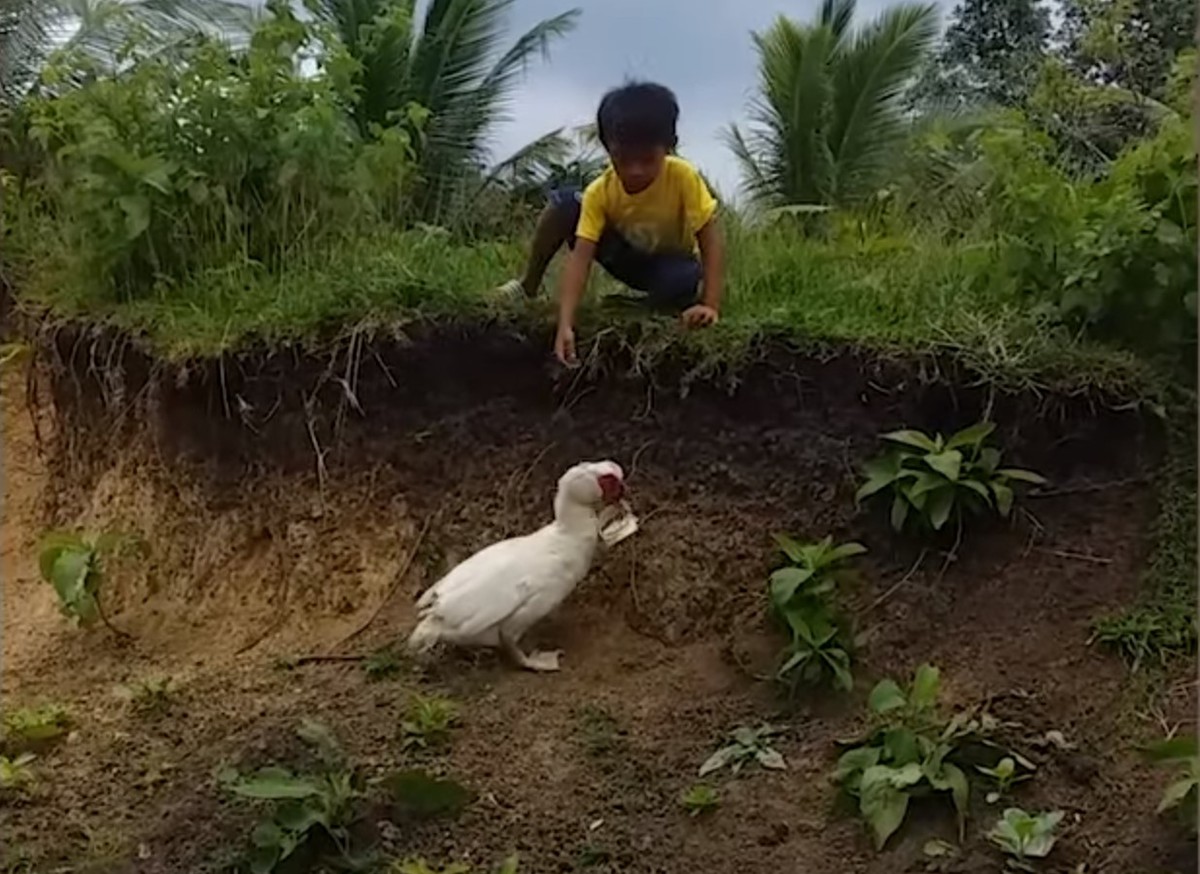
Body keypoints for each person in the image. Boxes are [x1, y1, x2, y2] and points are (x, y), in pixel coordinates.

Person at [498, 81, 726, 366]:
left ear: (669, 147)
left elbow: (709, 239)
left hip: (669, 266)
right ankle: (527, 286)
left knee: (684, 275)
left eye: (647, 160)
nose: (635, 171)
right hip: (622, 256)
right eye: (624, 160)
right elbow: (580, 258)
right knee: (564, 205)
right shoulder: (600, 192)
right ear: (608, 149)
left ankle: (641, 307)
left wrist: (710, 304)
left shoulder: (683, 177)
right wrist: (565, 324)